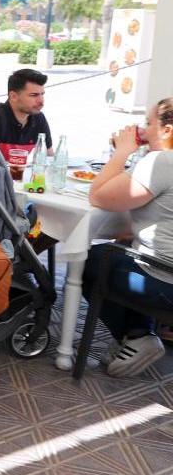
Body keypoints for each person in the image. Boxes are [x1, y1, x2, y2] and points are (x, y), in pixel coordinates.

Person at [80, 99, 173, 376]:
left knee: (89, 260)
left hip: (165, 280)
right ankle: (137, 334)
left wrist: (121, 152)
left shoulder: (163, 161)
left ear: (167, 130)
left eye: (148, 124)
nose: (143, 130)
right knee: (120, 247)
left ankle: (136, 335)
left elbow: (98, 196)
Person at [0, 68, 52, 159]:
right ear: (13, 96)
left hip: (18, 172)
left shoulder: (38, 118)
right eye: (33, 95)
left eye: (42, 94)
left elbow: (49, 156)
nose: (41, 101)